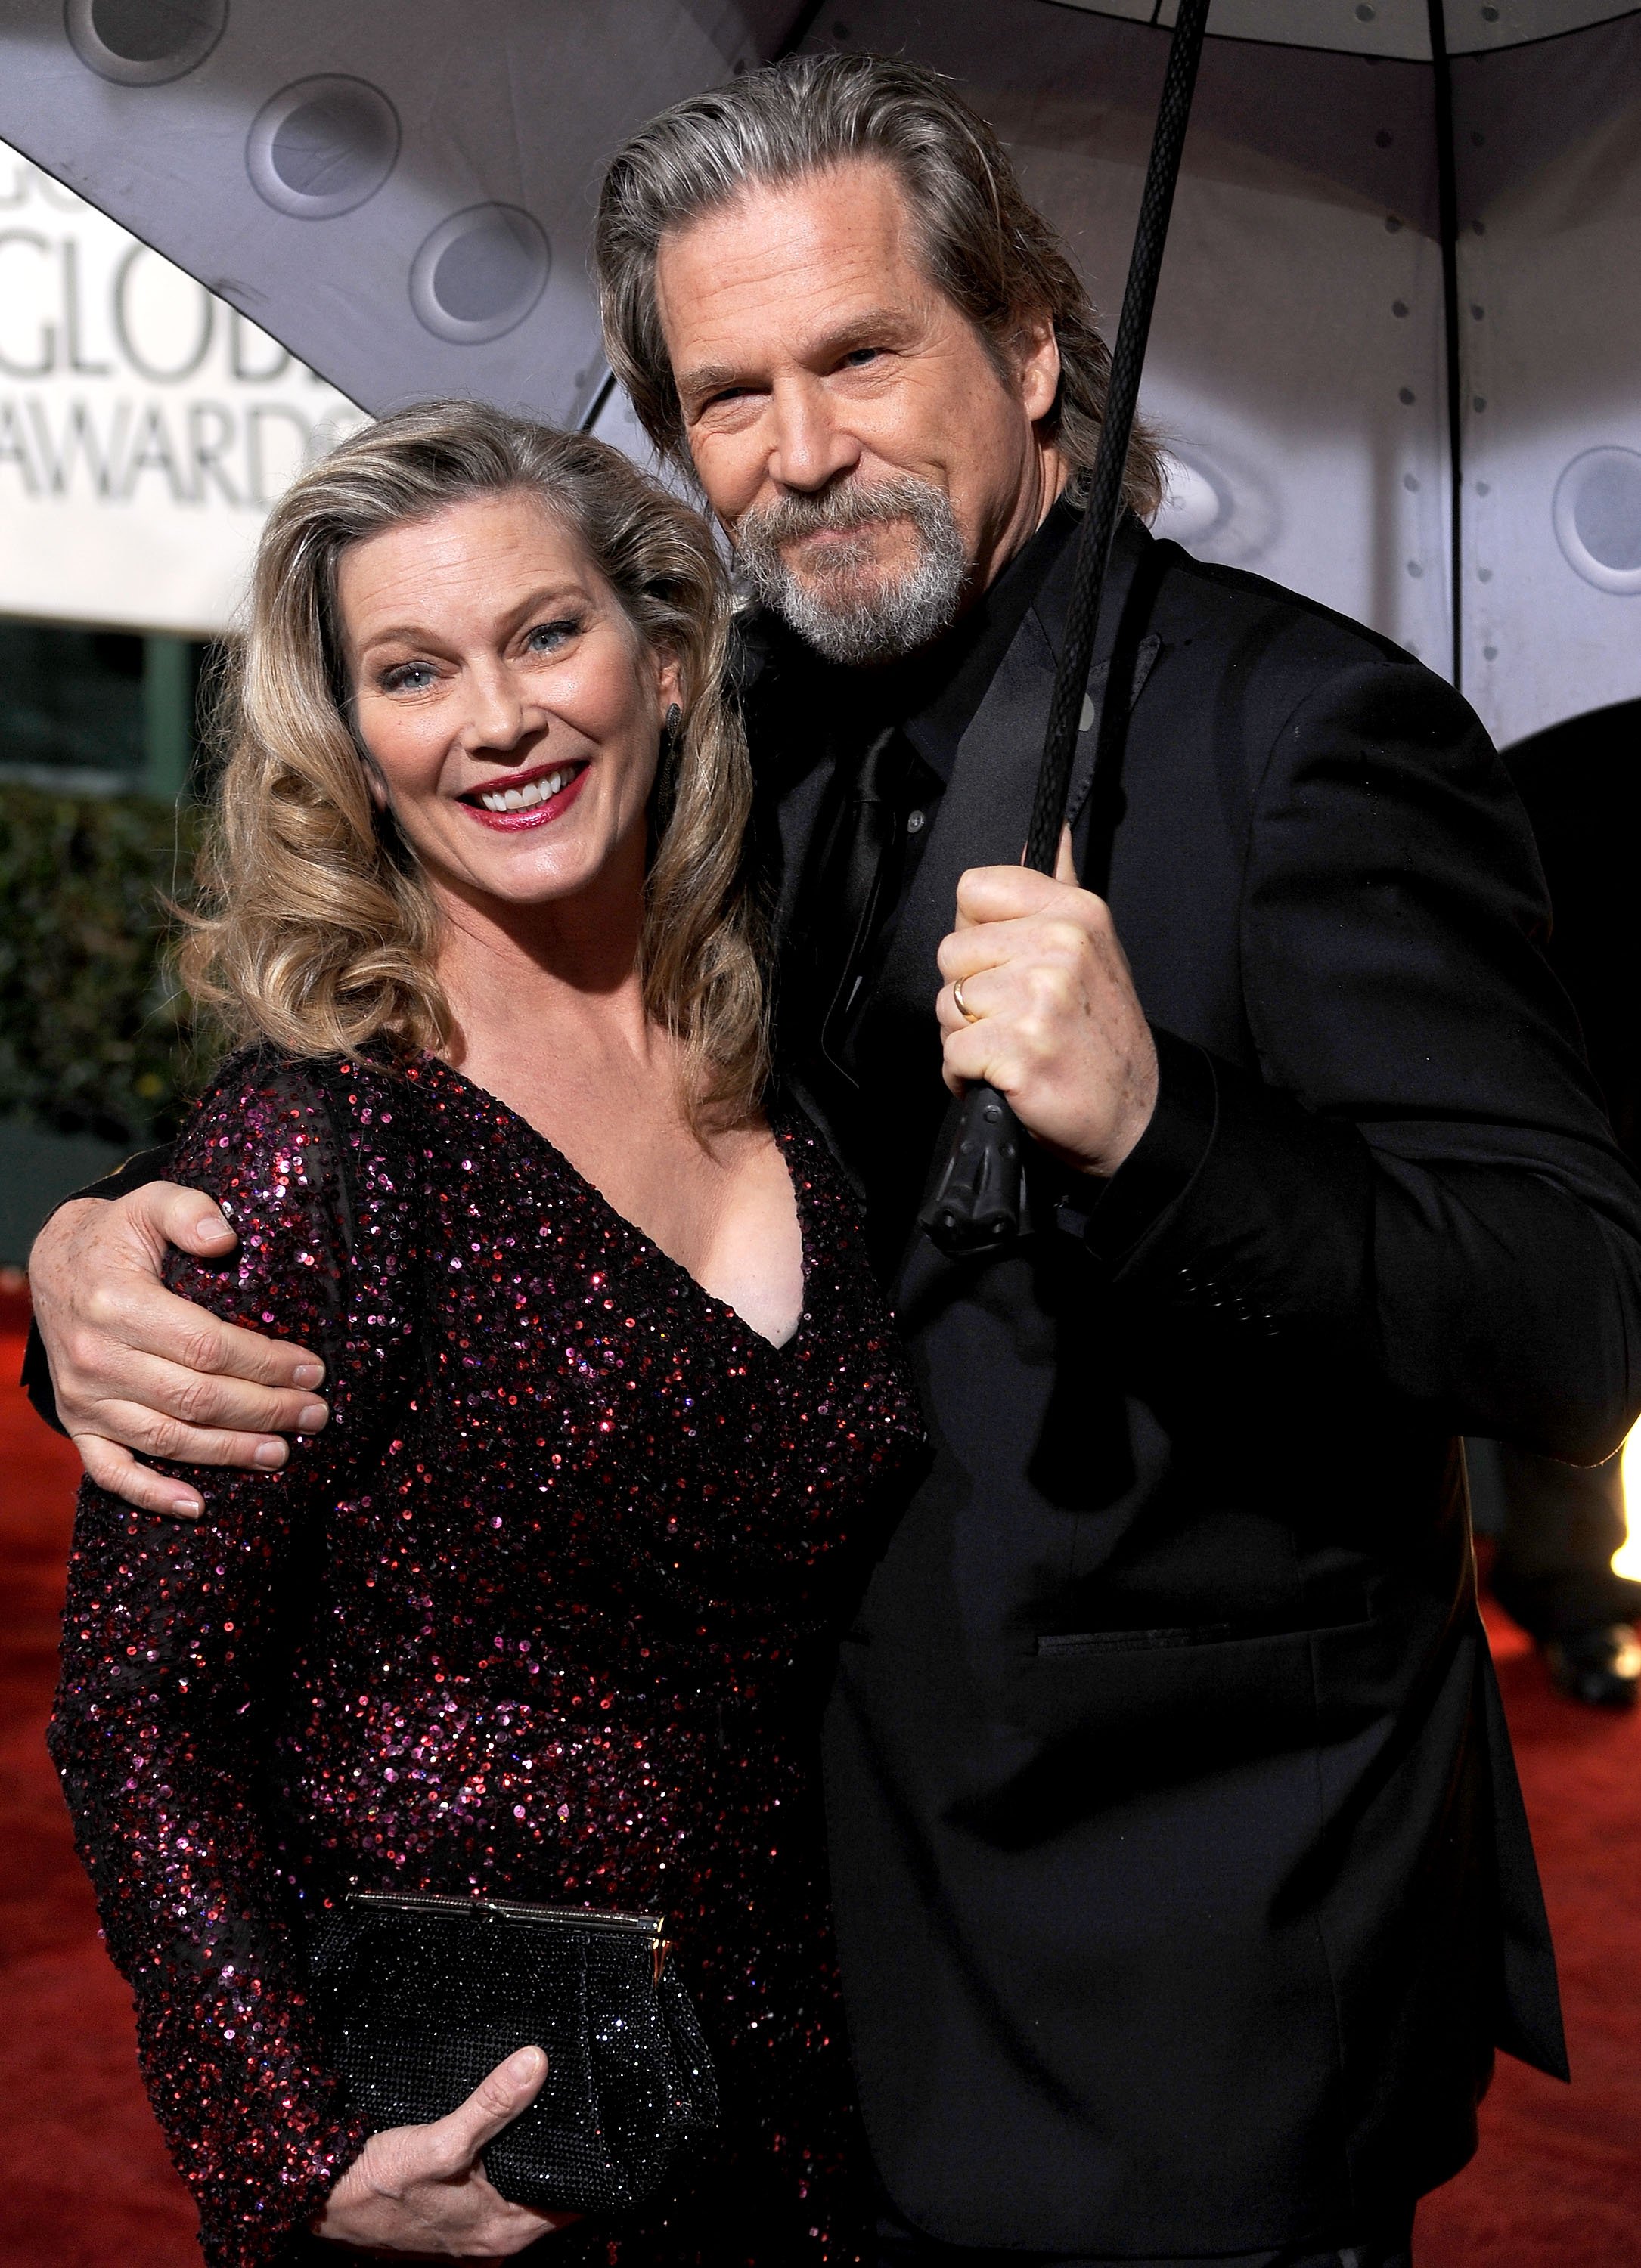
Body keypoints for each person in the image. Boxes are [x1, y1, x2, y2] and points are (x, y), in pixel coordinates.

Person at [26, 51, 1641, 2268]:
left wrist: (1165, 1129)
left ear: (1035, 341)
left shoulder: (1309, 741)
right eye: (724, 393)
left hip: (1179, 1989)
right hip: (782, 1984)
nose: (798, 453)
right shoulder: (717, 728)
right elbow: (424, 1106)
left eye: (860, 352)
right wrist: (110, 1256)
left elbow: (1565, 1321)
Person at [45, 401, 920, 2268]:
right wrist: (290, 2143)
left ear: (666, 659)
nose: (497, 719)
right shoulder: (318, 1150)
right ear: (354, 746)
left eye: (542, 635)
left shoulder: (801, 1086)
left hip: (813, 2113)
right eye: (412, 671)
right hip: (473, 2165)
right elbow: (139, 1709)